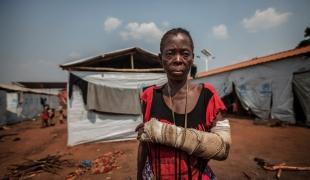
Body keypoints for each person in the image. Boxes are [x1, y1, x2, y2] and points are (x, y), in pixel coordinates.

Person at [136, 28, 231, 180]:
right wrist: (139, 175)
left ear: (192, 58)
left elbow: (222, 149)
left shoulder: (208, 95)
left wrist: (163, 132)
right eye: (170, 53)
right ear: (161, 58)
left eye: (185, 54)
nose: (178, 59)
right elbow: (144, 143)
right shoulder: (150, 96)